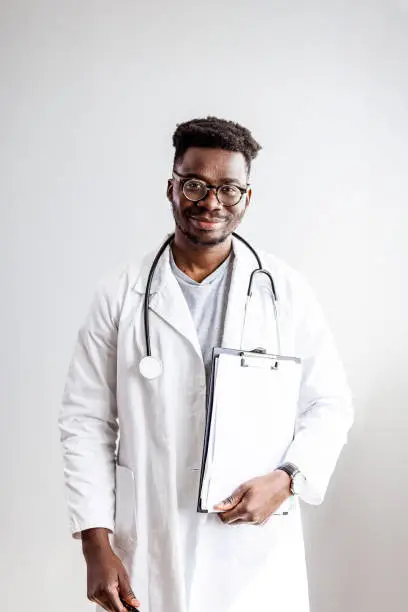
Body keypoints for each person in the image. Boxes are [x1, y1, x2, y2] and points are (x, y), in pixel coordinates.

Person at [59, 116, 354, 612]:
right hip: (151, 540)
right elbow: (84, 421)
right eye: (195, 184)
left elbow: (330, 404)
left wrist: (286, 481)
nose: (211, 202)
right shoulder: (120, 293)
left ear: (246, 198)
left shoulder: (285, 293)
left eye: (229, 188)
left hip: (253, 550)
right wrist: (95, 544)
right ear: (172, 188)